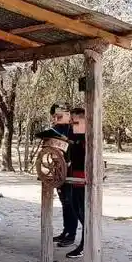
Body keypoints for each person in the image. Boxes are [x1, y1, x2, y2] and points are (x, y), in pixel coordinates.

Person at [48, 104, 78, 247]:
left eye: (60, 115)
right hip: (58, 170)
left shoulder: (74, 128)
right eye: (55, 116)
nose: (57, 118)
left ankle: (71, 234)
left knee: (70, 202)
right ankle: (66, 231)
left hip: (71, 170)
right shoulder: (55, 129)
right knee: (64, 201)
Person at [66, 107, 88, 259]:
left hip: (84, 178)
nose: (73, 125)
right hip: (75, 176)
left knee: (83, 212)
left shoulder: (89, 138)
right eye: (71, 122)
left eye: (76, 122)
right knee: (76, 208)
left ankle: (85, 245)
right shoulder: (74, 135)